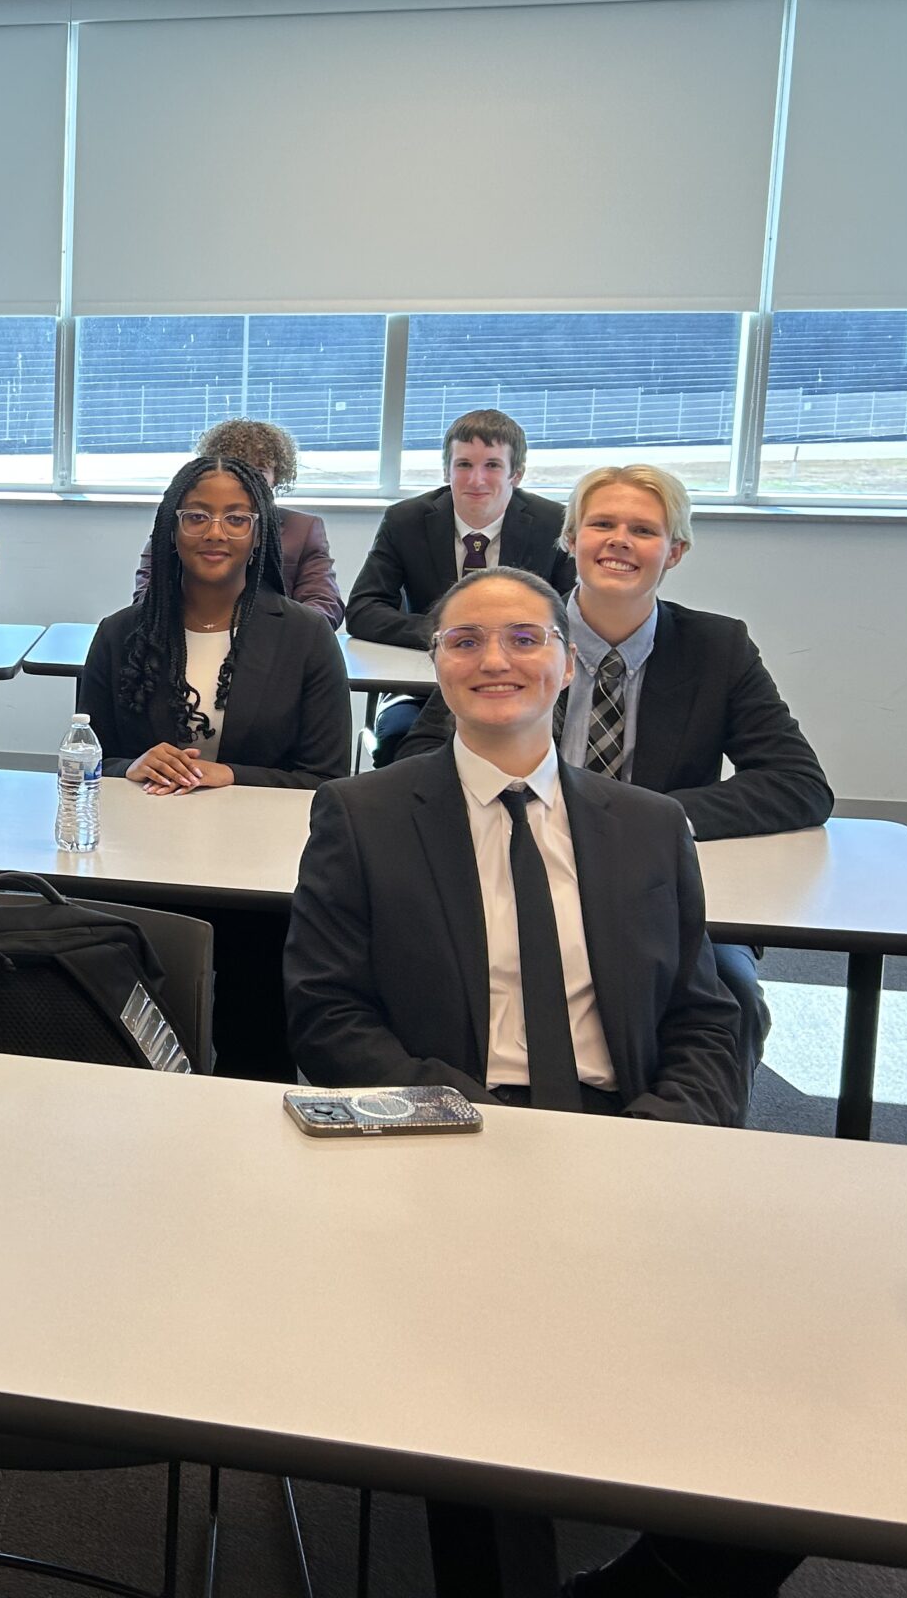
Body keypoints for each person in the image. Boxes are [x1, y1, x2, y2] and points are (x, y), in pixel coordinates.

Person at [283, 567, 781, 1598]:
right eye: (465, 641)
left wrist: (656, 1134)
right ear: (436, 668)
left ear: (565, 662)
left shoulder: (648, 824)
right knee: (487, 1372)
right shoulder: (363, 814)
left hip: (625, 1133)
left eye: (522, 638)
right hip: (457, 1137)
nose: (495, 660)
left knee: (787, 1415)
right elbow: (326, 1015)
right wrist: (473, 1129)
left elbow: (705, 1014)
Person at [392, 464, 833, 1083]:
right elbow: (417, 763)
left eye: (644, 530)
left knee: (731, 1001)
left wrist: (646, 822)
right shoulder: (517, 638)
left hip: (653, 884)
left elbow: (798, 783)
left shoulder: (717, 648)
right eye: (601, 524)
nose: (619, 541)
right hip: (505, 856)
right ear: (571, 540)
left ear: (674, 552)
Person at [84, 454, 349, 1077]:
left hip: (262, 873)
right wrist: (132, 764)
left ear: (260, 532)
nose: (216, 533)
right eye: (198, 516)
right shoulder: (121, 633)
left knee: (254, 1042)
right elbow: (88, 760)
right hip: (143, 864)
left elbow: (328, 778)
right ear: (171, 528)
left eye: (236, 518)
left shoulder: (305, 636)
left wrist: (232, 774)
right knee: (131, 1045)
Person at [347, 408, 574, 763]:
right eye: (464, 465)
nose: (476, 480)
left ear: (516, 474)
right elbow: (363, 609)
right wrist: (454, 638)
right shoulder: (406, 520)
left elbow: (570, 614)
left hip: (518, 685)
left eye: (492, 465)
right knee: (399, 744)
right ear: (446, 470)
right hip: (424, 689)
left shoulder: (553, 524)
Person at [131, 420, 344, 626]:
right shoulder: (184, 525)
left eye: (259, 472)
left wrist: (270, 632)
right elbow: (147, 598)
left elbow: (325, 604)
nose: (246, 479)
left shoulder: (303, 529)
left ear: (277, 476)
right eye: (235, 468)